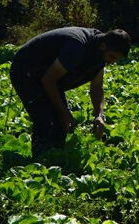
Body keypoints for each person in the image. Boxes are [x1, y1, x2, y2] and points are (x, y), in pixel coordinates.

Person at [9, 27, 132, 157]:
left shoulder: (100, 52)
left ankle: (57, 157)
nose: (112, 62)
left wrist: (99, 115)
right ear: (103, 46)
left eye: (116, 59)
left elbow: (96, 87)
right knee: (45, 118)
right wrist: (64, 112)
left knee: (61, 124)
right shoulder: (77, 47)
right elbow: (48, 80)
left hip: (49, 77)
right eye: (112, 57)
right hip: (26, 70)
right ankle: (41, 160)